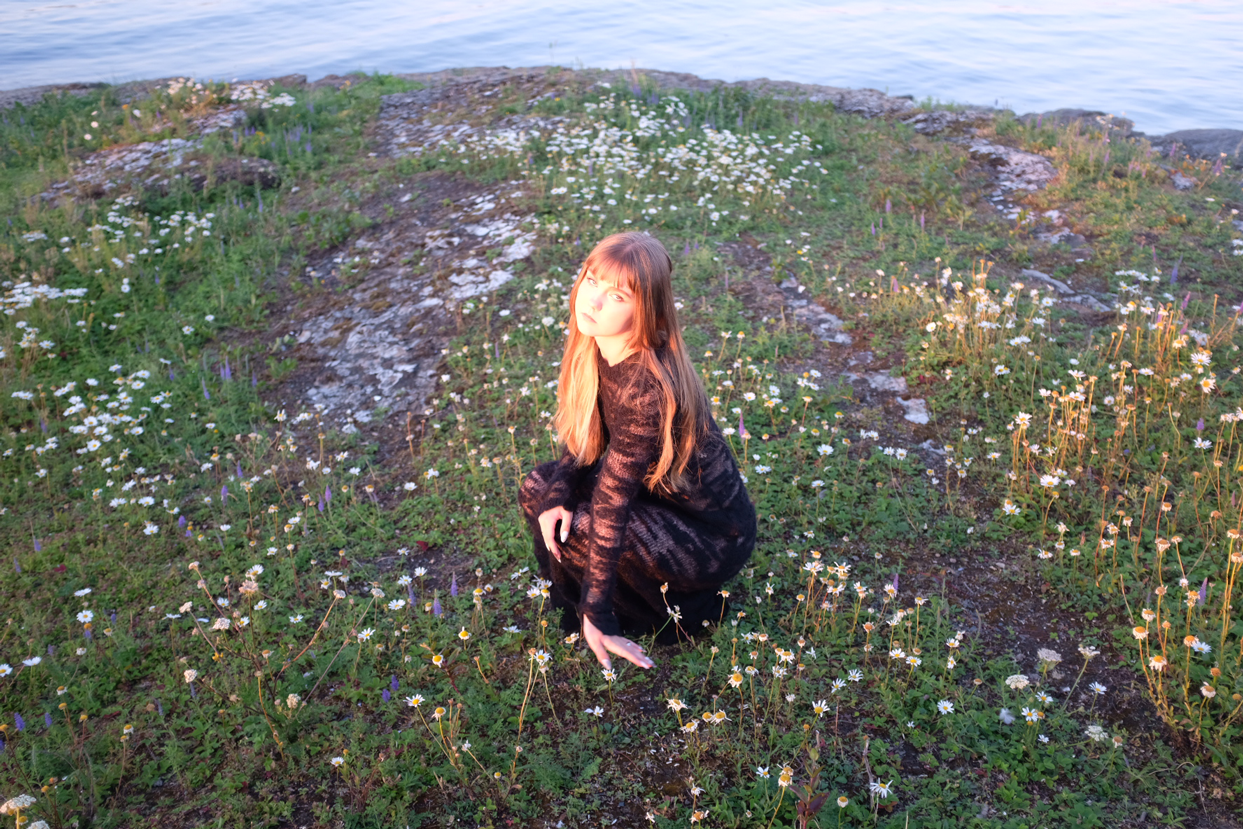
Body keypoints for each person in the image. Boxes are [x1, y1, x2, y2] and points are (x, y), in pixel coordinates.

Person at [518, 231, 757, 672]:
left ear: (645, 310)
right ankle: (582, 604)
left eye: (617, 296)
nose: (593, 301)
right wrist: (558, 495)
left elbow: (612, 505)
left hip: (710, 538)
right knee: (539, 489)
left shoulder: (647, 388)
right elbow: (587, 440)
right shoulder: (598, 345)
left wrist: (598, 609)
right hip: (659, 501)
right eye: (591, 281)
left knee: (584, 526)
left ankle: (677, 613)